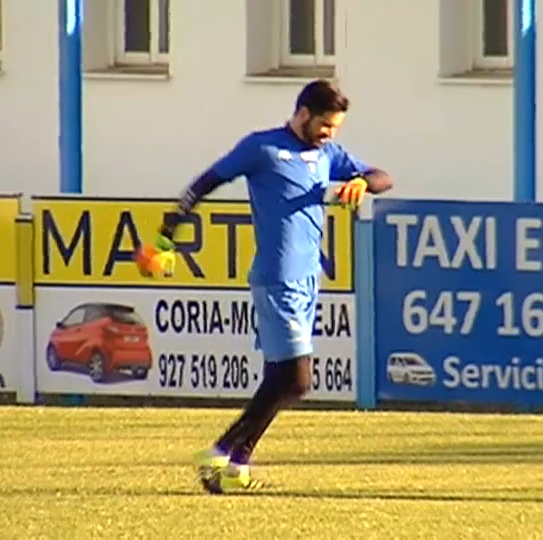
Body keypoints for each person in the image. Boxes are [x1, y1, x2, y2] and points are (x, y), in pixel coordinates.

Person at [135, 79, 393, 494]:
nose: (330, 133)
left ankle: (237, 467)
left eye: (336, 128)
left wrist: (363, 182)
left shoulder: (328, 154)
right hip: (279, 277)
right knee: (296, 379)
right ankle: (220, 451)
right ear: (304, 113)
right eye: (325, 124)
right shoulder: (263, 148)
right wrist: (167, 235)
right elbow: (203, 184)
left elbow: (384, 177)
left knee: (282, 379)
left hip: (309, 279)